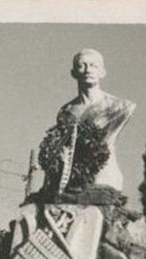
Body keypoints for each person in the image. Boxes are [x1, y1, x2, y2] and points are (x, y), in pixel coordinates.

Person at [38, 48, 136, 195]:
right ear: (73, 73)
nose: (88, 70)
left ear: (102, 72)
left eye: (93, 65)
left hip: (104, 176)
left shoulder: (119, 106)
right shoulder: (66, 111)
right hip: (73, 180)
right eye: (81, 65)